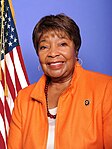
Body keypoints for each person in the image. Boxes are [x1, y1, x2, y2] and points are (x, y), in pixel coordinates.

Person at [8, 13, 112, 149]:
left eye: (62, 44)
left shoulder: (105, 88)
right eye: (44, 47)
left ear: (76, 50)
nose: (53, 53)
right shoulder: (24, 98)